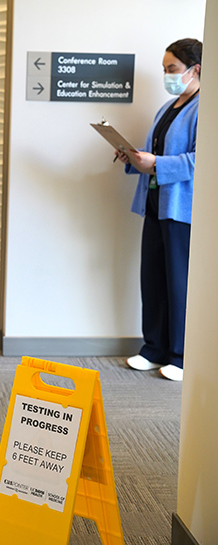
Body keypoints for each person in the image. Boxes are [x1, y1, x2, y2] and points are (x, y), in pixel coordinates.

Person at [116, 38, 202, 382]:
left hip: (182, 209)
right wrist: (134, 158)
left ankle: (180, 356)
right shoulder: (167, 107)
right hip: (154, 203)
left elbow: (201, 161)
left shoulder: (204, 108)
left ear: (195, 69)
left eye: (172, 69)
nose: (167, 75)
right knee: (151, 277)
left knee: (177, 281)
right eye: (165, 69)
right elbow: (155, 150)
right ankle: (153, 348)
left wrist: (158, 164)